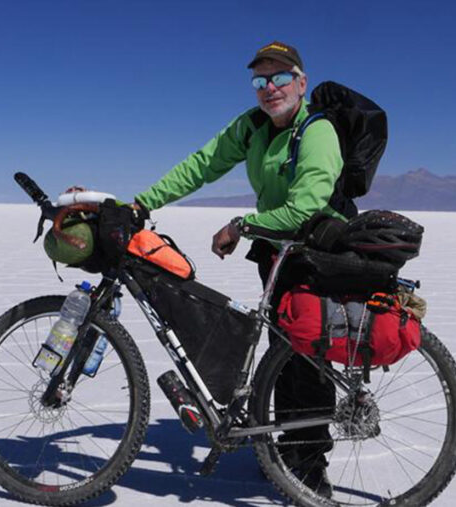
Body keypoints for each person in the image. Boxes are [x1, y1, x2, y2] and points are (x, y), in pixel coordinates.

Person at [133, 41, 343, 497]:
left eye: (280, 77)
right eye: (260, 81)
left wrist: (241, 225)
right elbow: (203, 165)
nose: (270, 88)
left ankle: (309, 470)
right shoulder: (251, 128)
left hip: (317, 255)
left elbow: (306, 209)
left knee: (306, 357)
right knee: (280, 354)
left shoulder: (317, 130)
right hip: (276, 252)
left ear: (301, 83)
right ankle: (284, 454)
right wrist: (142, 202)